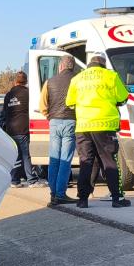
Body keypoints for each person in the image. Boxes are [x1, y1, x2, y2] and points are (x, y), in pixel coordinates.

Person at [68, 52, 131, 208]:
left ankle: (82, 200)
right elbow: (123, 98)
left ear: (89, 64)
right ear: (103, 64)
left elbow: (70, 102)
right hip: (105, 126)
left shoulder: (77, 79)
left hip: (83, 127)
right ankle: (117, 198)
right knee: (109, 162)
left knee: (86, 162)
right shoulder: (111, 76)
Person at [38, 56, 78, 205]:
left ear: (60, 66)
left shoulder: (49, 82)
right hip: (71, 121)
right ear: (72, 67)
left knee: (54, 159)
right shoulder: (77, 80)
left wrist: (50, 117)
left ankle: (53, 193)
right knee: (65, 160)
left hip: (54, 122)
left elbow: (42, 105)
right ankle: (61, 194)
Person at [0, 71, 41, 187]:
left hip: (10, 129)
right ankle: (31, 180)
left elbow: (4, 112)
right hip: (23, 128)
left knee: (16, 155)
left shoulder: (8, 95)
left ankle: (14, 180)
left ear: (15, 81)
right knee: (25, 154)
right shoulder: (28, 93)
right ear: (26, 81)